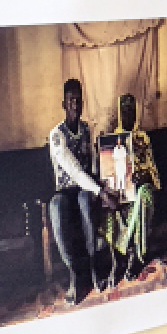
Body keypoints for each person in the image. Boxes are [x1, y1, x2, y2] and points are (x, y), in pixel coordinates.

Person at [45, 79, 107, 305]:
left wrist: (100, 182)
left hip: (84, 189)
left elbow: (90, 164)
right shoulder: (56, 135)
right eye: (71, 100)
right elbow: (73, 169)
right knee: (56, 206)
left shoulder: (87, 130)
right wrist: (100, 191)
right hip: (64, 190)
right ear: (63, 104)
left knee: (84, 200)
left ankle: (93, 266)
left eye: (78, 100)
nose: (75, 105)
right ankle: (73, 272)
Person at [103, 94, 160, 286]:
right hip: (121, 188)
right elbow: (108, 170)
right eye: (125, 111)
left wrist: (143, 176)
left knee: (144, 196)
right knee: (110, 206)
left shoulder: (143, 138)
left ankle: (134, 257)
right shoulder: (112, 139)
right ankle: (117, 261)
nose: (128, 115)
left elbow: (152, 168)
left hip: (141, 187)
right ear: (120, 114)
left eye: (132, 111)